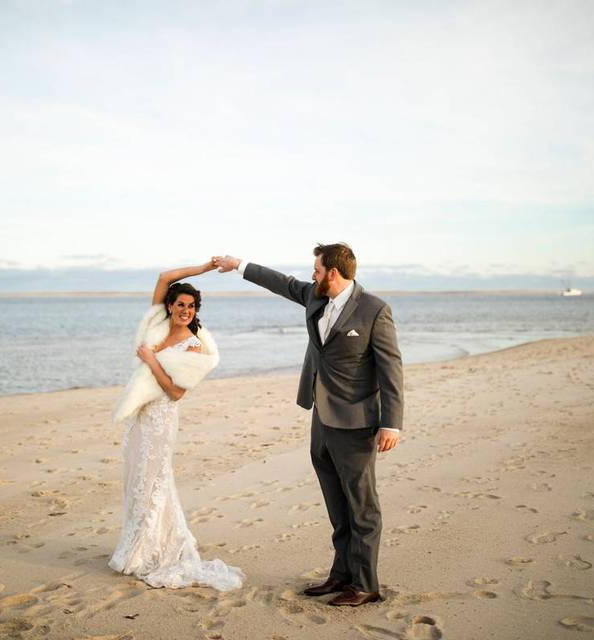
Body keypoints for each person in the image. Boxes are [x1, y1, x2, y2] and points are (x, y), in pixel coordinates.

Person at [215, 244, 403, 606]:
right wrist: (239, 265)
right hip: (321, 416)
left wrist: (391, 424)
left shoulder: (374, 310)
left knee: (362, 506)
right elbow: (280, 283)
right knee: (336, 503)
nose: (311, 274)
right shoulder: (314, 297)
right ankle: (341, 574)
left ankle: (365, 584)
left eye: (316, 269)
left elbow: (391, 370)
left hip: (356, 422)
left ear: (333, 272)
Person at [108, 259, 244, 591]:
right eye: (180, 304)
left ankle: (155, 550)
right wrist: (206, 267)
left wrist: (152, 361)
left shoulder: (194, 345)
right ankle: (137, 545)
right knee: (135, 479)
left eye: (191, 306)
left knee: (154, 482)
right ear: (169, 306)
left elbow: (176, 392)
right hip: (141, 417)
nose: (185, 310)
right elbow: (165, 276)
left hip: (161, 420)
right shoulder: (156, 326)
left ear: (196, 311)